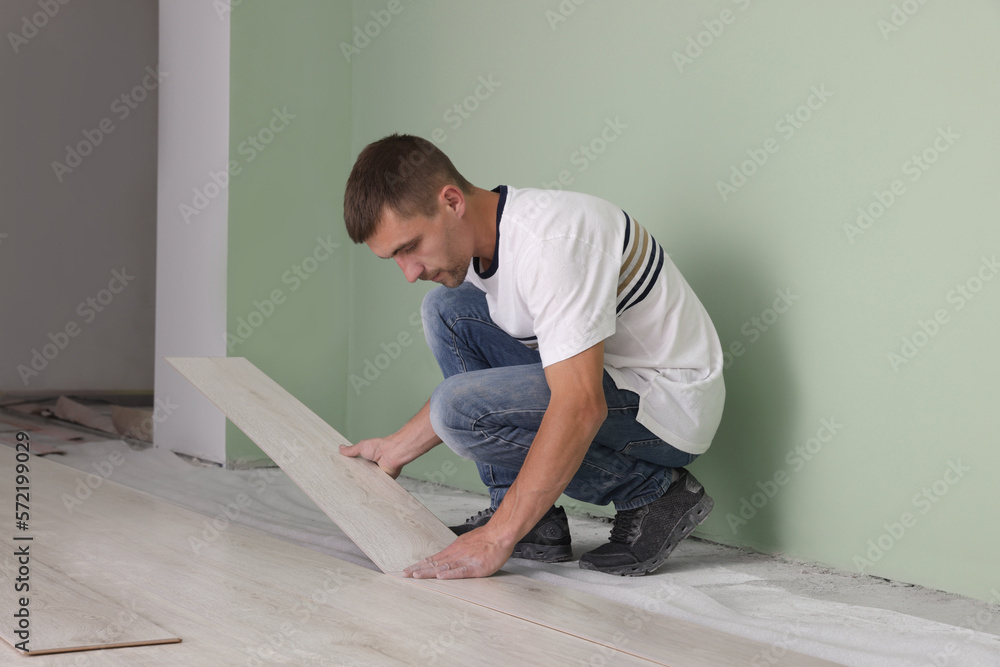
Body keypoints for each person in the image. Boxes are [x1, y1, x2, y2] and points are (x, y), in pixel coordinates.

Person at [339, 134, 725, 580]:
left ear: (451, 201)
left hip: (668, 403)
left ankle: (653, 491)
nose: (409, 272)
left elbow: (580, 405)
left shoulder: (551, 243)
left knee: (457, 409)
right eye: (394, 258)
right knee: (447, 310)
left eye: (410, 247)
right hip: (615, 380)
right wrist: (394, 449)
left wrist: (495, 539)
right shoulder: (492, 242)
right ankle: (530, 522)